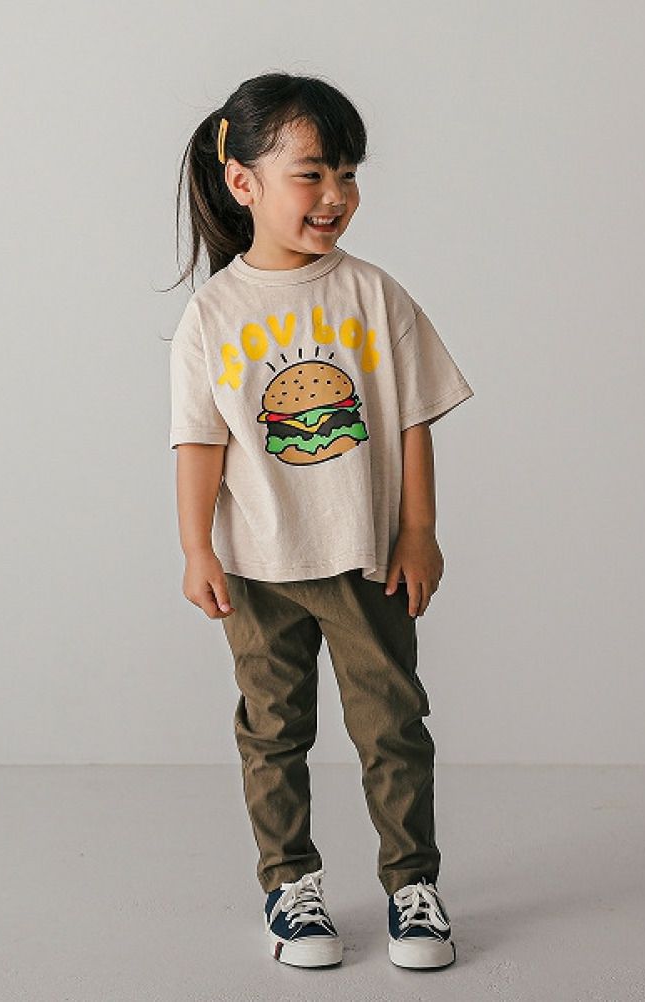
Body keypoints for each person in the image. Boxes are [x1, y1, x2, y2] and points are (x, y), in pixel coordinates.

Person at [165, 72, 473, 970]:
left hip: (366, 559)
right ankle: (289, 885)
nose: (335, 194)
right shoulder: (213, 315)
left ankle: (413, 886)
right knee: (273, 732)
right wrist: (195, 548)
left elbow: (413, 420)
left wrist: (418, 531)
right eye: (312, 173)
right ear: (243, 181)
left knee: (393, 726)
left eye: (348, 173)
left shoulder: (374, 294)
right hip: (257, 568)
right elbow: (199, 443)